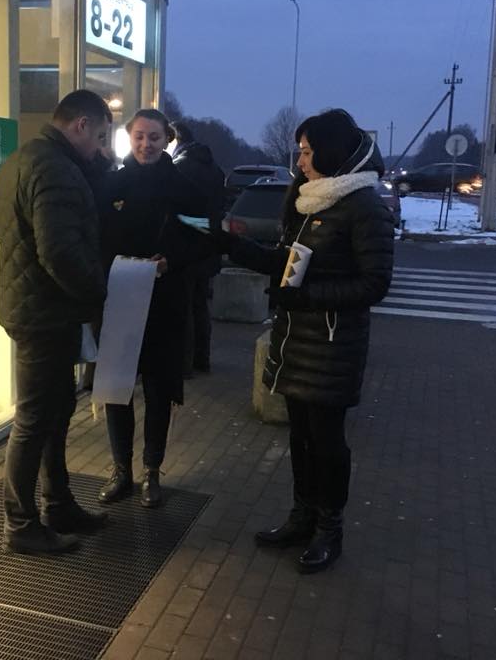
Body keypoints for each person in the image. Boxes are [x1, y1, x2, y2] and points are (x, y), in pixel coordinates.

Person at [215, 108, 394, 573]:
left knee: (327, 442)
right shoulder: (307, 199)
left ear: (331, 152)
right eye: (300, 151)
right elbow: (287, 263)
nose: (301, 161)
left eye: (308, 151)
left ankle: (329, 529)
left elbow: (375, 284)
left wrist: (309, 298)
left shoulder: (363, 207)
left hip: (333, 345)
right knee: (301, 437)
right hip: (296, 338)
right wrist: (232, 246)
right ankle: (302, 516)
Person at [0, 89, 112, 555]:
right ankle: (21, 524)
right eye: (99, 137)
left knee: (55, 412)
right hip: (46, 314)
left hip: (34, 308)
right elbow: (60, 252)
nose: (100, 149)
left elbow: (7, 231)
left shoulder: (21, 159)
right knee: (34, 419)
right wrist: (99, 292)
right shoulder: (55, 169)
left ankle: (58, 504)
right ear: (81, 125)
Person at [94, 109, 212, 508]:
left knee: (159, 390)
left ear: (167, 141)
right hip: (119, 298)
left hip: (165, 301)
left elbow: (203, 238)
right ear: (129, 138)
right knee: (117, 388)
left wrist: (171, 261)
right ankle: (120, 470)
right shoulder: (112, 184)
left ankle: (152, 472)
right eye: (140, 137)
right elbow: (95, 237)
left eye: (155, 137)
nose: (146, 144)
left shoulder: (183, 188)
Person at [171, 121, 225, 375]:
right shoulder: (214, 168)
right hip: (209, 244)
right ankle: (202, 359)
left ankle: (184, 364)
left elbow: (178, 209)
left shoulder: (180, 167)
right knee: (200, 304)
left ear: (176, 139)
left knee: (184, 307)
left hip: (187, 244)